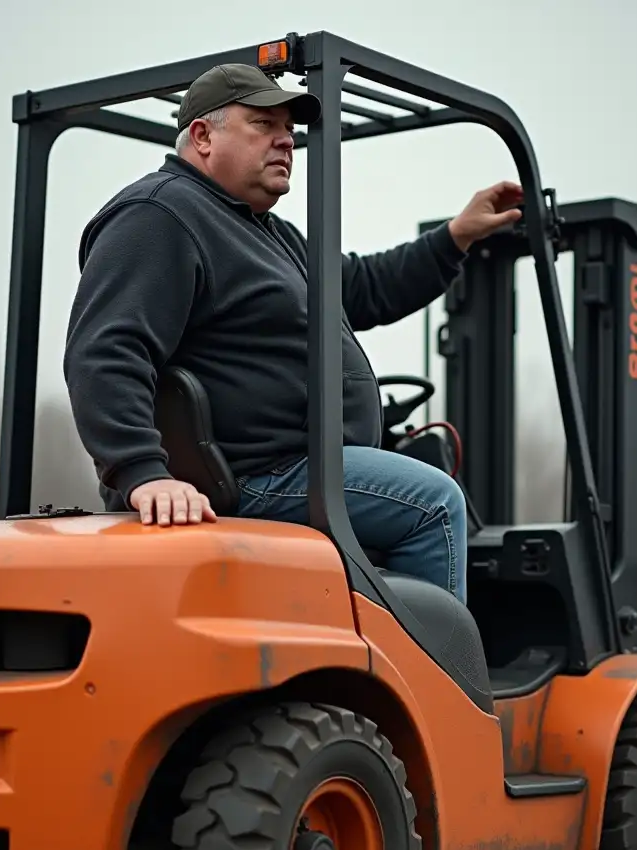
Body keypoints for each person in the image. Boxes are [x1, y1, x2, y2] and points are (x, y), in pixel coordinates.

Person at [64, 63, 522, 602]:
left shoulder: (267, 232)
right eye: (263, 124)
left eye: (290, 130)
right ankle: (437, 682)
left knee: (419, 478)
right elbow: (105, 352)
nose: (286, 141)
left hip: (293, 467)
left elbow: (363, 287)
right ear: (203, 136)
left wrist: (454, 238)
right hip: (253, 475)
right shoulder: (161, 214)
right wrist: (143, 473)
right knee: (435, 503)